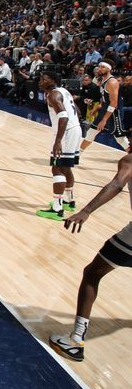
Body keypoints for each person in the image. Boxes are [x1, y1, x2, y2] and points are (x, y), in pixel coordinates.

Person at [49, 147, 132, 361]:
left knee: (92, 274)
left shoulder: (129, 160)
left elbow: (116, 184)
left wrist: (86, 211)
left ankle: (76, 340)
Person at [36, 72, 81, 221]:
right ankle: (69, 201)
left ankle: (57, 208)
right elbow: (78, 112)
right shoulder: (64, 91)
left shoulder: (53, 95)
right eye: (41, 78)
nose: (41, 81)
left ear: (53, 81)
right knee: (66, 167)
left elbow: (63, 116)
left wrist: (58, 141)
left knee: (57, 168)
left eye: (45, 79)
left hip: (66, 132)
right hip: (75, 129)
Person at [81, 61, 128, 152]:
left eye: (102, 67)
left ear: (108, 69)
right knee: (91, 132)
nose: (99, 69)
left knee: (120, 138)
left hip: (114, 112)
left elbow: (113, 103)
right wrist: (96, 108)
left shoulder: (112, 82)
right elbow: (104, 99)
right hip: (104, 110)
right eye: (99, 67)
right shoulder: (103, 80)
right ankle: (76, 156)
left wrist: (104, 120)